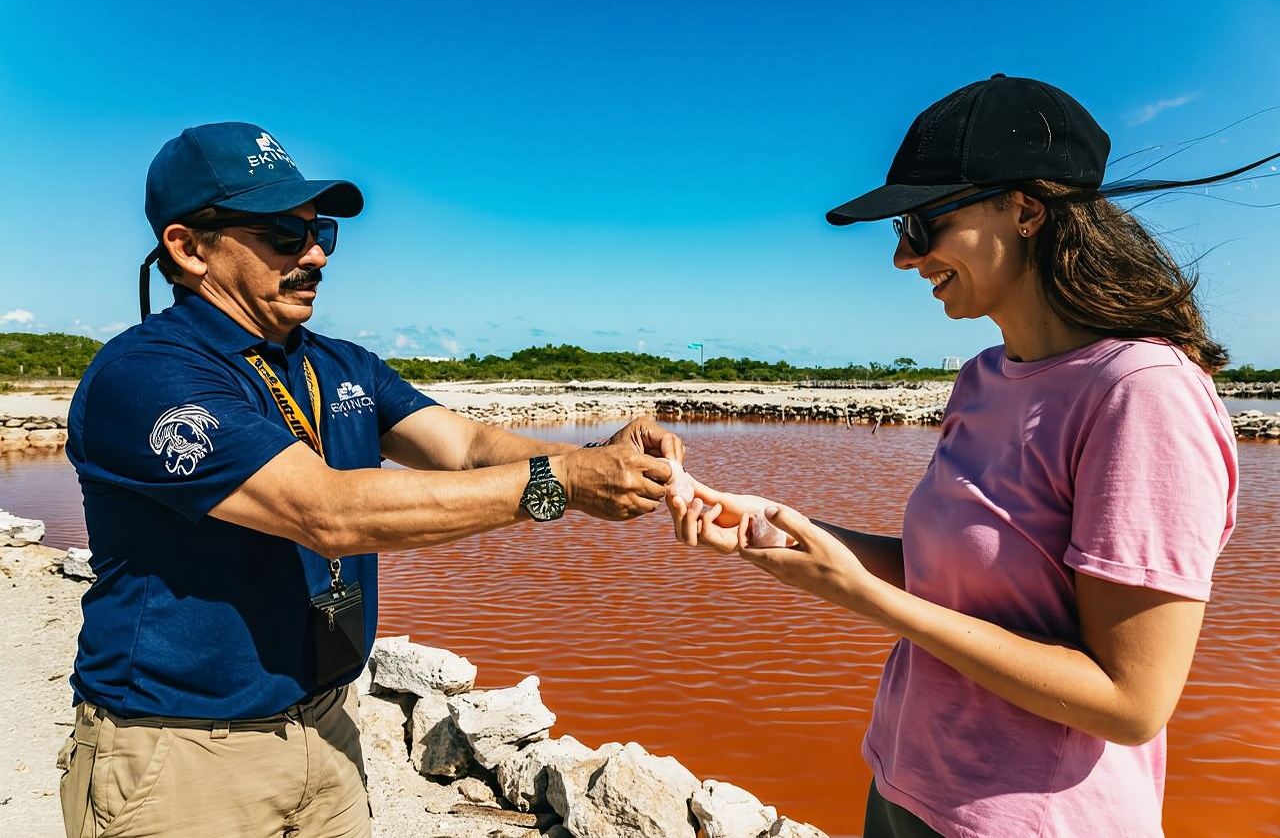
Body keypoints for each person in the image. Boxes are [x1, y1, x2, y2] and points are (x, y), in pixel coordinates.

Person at [58, 121, 683, 838]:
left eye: (320, 230)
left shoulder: (340, 363)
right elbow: (326, 512)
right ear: (188, 246)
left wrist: (599, 453)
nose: (316, 253)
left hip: (326, 726)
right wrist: (566, 484)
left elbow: (469, 445)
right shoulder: (146, 375)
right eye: (283, 236)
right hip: (181, 753)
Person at [670, 75, 1242, 837]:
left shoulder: (1141, 393)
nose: (905, 257)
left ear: (1027, 208)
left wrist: (866, 599)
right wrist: (781, 528)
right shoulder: (981, 377)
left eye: (921, 222)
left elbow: (1131, 700)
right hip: (906, 787)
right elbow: (955, 578)